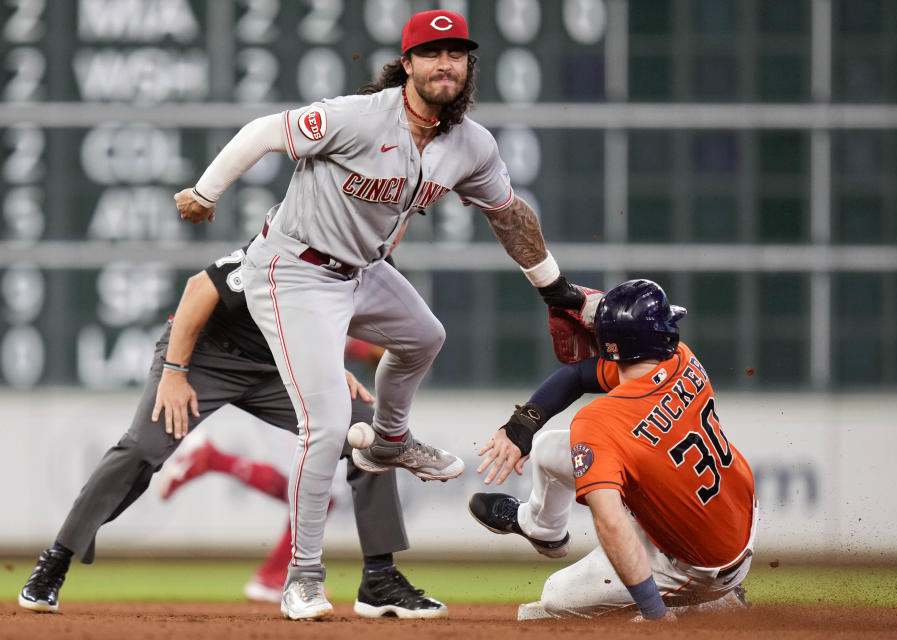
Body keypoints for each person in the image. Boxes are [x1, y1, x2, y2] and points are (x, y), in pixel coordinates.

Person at [174, 9, 596, 620]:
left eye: (456, 54)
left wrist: (555, 291)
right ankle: (302, 579)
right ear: (406, 65)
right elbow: (265, 130)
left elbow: (509, 215)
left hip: (360, 272)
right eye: (430, 53)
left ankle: (389, 441)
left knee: (425, 335)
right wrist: (206, 191)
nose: (445, 63)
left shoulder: (471, 145)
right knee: (324, 425)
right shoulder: (358, 116)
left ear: (468, 66)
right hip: (293, 268)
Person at [18, 244, 446, 619]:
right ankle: (56, 559)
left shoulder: (362, 275)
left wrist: (333, 371)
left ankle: (380, 578)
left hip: (277, 368)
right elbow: (198, 289)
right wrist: (174, 371)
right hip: (206, 355)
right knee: (141, 448)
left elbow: (317, 329)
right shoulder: (290, 247)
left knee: (368, 433)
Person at [468, 279, 757, 621]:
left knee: (552, 602)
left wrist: (654, 612)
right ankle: (542, 530)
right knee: (548, 448)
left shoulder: (599, 423)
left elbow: (611, 522)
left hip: (700, 563)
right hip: (735, 510)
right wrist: (523, 425)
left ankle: (712, 601)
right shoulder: (680, 359)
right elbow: (576, 377)